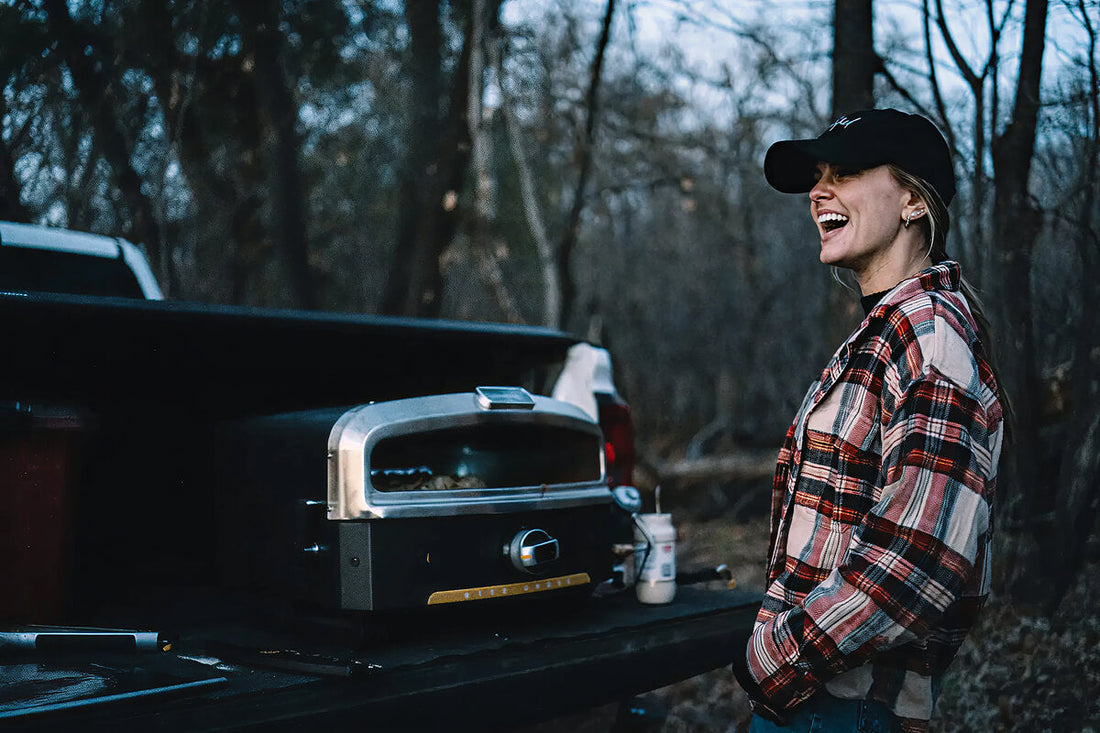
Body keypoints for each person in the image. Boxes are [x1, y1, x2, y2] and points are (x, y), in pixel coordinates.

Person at [731, 109, 1005, 733]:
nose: (818, 191)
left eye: (846, 172)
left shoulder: (928, 337)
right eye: (818, 175)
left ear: (912, 199)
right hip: (818, 703)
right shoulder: (883, 335)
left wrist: (779, 656)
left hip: (844, 708)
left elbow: (919, 561)